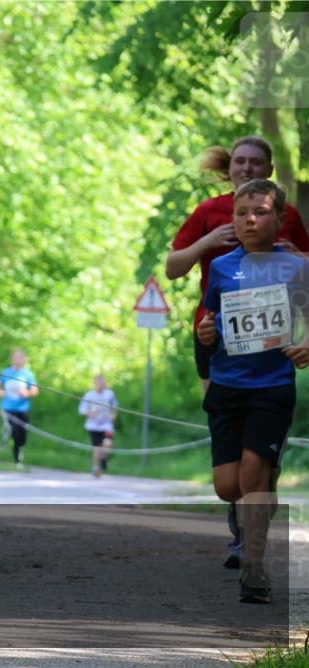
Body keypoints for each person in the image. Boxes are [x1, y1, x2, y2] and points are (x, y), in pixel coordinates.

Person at [165, 135, 309, 570]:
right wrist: (207, 244)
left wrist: (290, 251)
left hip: (268, 341)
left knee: (257, 445)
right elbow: (173, 267)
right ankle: (245, 514)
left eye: (256, 163)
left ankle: (248, 540)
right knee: (230, 439)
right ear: (230, 168)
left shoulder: (282, 215)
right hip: (213, 335)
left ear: (267, 170)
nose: (246, 168)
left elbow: (307, 263)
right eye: (240, 162)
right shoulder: (211, 213)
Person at [197, 179, 309, 603]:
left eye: (261, 212)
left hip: (273, 386)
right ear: (233, 219)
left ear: (279, 220)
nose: (250, 220)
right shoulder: (223, 267)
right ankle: (264, 481)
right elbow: (212, 319)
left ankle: (255, 570)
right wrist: (207, 332)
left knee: (252, 475)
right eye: (243, 213)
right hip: (227, 385)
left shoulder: (295, 266)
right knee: (229, 486)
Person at [0, 348, 39, 466]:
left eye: (20, 357)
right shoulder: (6, 372)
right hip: (7, 409)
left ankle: (19, 449)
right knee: (15, 431)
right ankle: (16, 460)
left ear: (24, 359)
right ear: (12, 359)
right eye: (15, 357)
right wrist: (1, 392)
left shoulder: (27, 374)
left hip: (22, 409)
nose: (18, 360)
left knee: (22, 436)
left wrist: (27, 393)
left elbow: (35, 390)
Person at [78, 374, 118, 477]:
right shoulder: (89, 395)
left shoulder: (110, 394)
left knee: (107, 444)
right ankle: (96, 469)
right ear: (94, 383)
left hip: (106, 425)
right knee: (97, 448)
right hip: (93, 426)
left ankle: (103, 458)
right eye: (98, 382)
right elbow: (82, 409)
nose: (101, 384)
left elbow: (114, 406)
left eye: (102, 382)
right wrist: (90, 413)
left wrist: (113, 415)